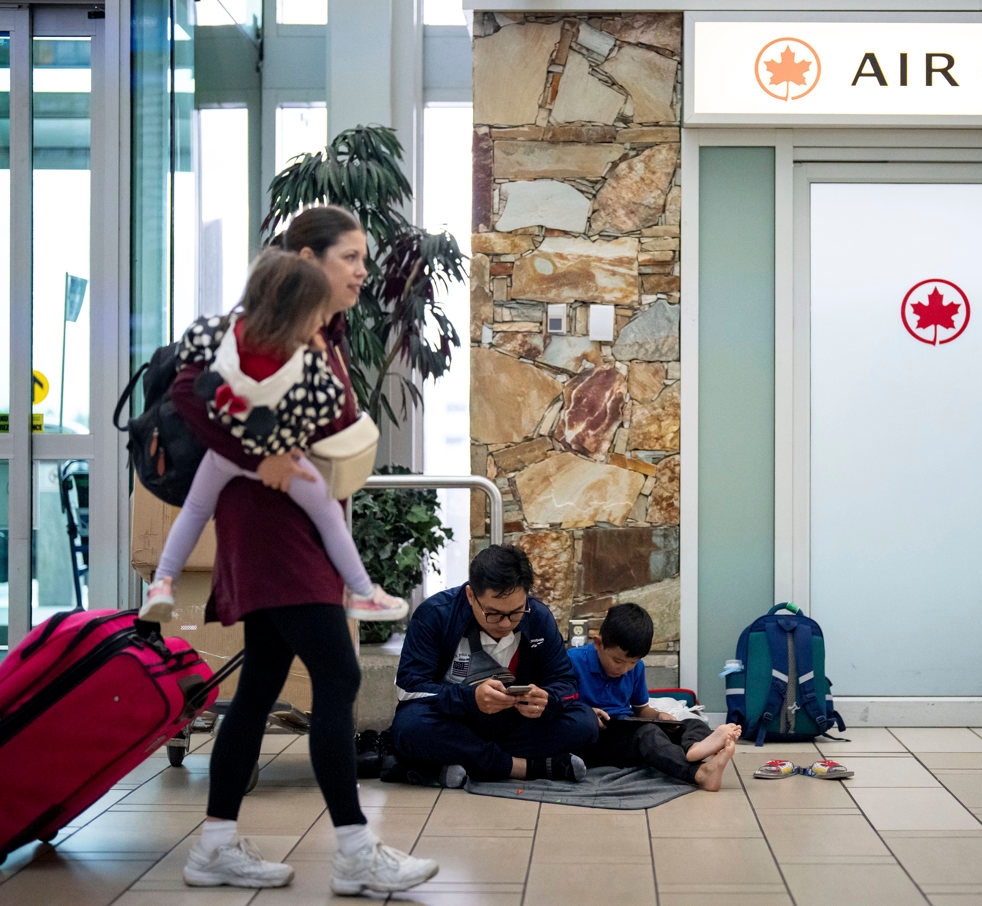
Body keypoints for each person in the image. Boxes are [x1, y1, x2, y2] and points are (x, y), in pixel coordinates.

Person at [168, 205, 439, 896]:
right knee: (339, 678)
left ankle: (215, 848)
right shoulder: (254, 324)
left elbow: (334, 423)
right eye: (349, 256)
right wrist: (262, 455)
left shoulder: (326, 334)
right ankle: (354, 854)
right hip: (272, 535)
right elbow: (184, 389)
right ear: (307, 258)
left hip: (302, 531)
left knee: (258, 687)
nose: (362, 270)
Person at [139, 248, 407, 625]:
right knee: (328, 512)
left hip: (227, 453)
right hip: (278, 458)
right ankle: (363, 592)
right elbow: (328, 404)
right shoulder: (301, 352)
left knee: (196, 511)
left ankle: (163, 583)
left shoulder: (226, 334)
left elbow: (190, 376)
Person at [391, 544, 599, 787]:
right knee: (410, 728)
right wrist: (470, 699)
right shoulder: (435, 615)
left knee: (584, 723)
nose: (505, 623)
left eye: (516, 612)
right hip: (457, 720)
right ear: (471, 595)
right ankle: (524, 767)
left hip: (512, 724)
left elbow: (566, 683)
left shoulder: (538, 617)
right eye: (493, 614)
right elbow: (409, 687)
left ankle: (463, 760)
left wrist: (547, 699)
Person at [569, 602, 740, 791]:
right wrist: (587, 713)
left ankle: (694, 748)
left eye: (632, 663)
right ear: (598, 644)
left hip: (627, 725)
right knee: (648, 734)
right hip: (597, 739)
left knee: (690, 722)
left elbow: (641, 709)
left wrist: (660, 717)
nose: (624, 669)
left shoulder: (636, 669)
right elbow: (558, 707)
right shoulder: (573, 662)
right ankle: (699, 773)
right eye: (617, 661)